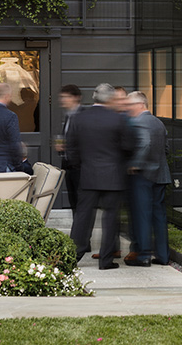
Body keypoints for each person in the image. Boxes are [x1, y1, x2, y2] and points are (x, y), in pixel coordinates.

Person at [68, 83, 129, 270]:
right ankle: (106, 260)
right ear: (111, 99)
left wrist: (82, 165)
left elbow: (71, 149)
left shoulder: (79, 119)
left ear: (94, 98)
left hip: (88, 175)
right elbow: (128, 147)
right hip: (113, 176)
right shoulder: (118, 119)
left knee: (83, 217)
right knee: (110, 218)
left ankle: (72, 256)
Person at [124, 91, 172, 267]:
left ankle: (143, 255)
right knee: (159, 216)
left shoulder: (139, 122)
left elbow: (145, 143)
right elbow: (166, 149)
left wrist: (135, 164)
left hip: (143, 175)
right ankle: (163, 255)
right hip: (161, 175)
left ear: (140, 105)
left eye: (130, 105)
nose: (128, 109)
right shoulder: (158, 123)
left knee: (142, 215)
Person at [57, 84, 83, 214]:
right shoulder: (68, 116)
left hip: (79, 167)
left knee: (80, 202)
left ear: (75, 98)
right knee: (73, 201)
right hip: (68, 165)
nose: (63, 100)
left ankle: (81, 232)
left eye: (66, 97)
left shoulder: (83, 116)